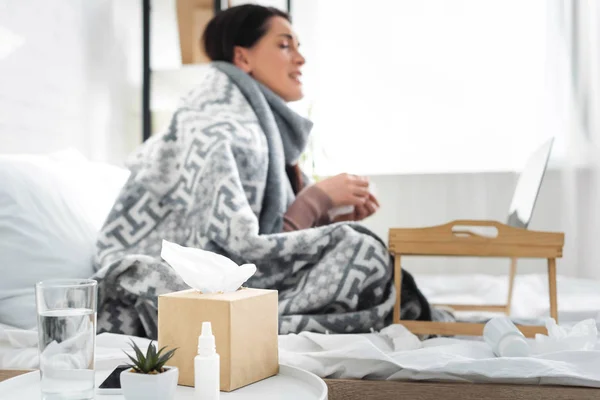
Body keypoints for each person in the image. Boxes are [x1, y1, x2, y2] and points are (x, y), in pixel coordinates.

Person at [93, 4, 445, 339]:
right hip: (188, 284)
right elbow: (234, 256)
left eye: (298, 47)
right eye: (284, 45)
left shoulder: (257, 131)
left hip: (244, 280)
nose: (300, 58)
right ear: (242, 57)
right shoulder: (218, 129)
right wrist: (315, 200)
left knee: (359, 249)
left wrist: (326, 213)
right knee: (359, 250)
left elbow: (270, 237)